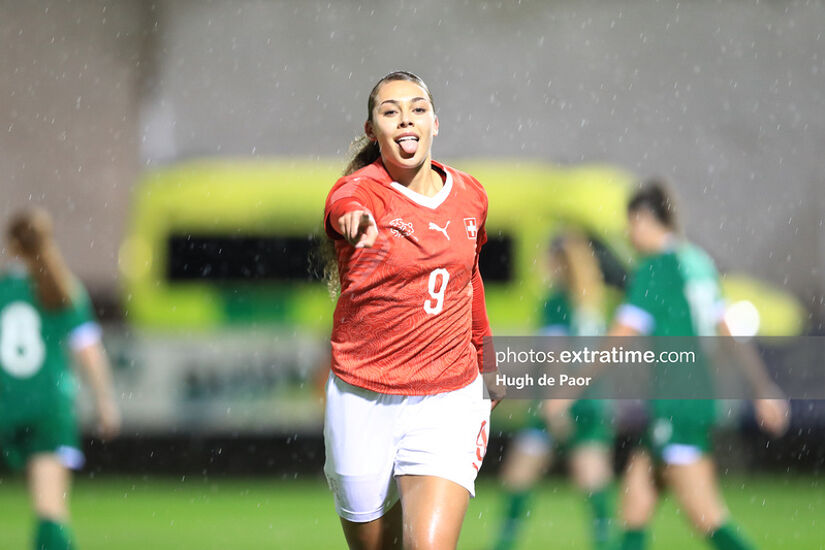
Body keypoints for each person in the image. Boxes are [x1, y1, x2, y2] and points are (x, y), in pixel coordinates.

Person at [548, 180, 789, 550]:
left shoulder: (656, 269)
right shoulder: (698, 262)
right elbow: (728, 333)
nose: (629, 234)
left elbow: (616, 342)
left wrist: (567, 392)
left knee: (706, 516)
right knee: (636, 502)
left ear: (645, 219)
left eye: (631, 225)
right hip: (694, 399)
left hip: (676, 404)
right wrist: (762, 387)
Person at [322, 70, 499, 550]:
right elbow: (343, 204)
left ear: (435, 123)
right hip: (362, 395)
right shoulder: (359, 192)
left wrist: (489, 355)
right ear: (371, 129)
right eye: (390, 111)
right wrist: (353, 221)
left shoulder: (470, 195)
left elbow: (470, 277)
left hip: (447, 395)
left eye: (418, 109)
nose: (406, 120)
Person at [0, 208, 120, 550]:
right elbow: (90, 353)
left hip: (6, 405)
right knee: (50, 509)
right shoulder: (62, 289)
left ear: (11, 245)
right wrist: (105, 403)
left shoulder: (3, 291)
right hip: (48, 408)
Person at [492, 232, 615, 550]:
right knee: (593, 481)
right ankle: (606, 543)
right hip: (590, 403)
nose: (543, 265)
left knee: (517, 477)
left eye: (548, 258)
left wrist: (554, 403)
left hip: (556, 400)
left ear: (561, 263)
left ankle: (504, 544)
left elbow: (555, 357)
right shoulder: (593, 301)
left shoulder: (556, 302)